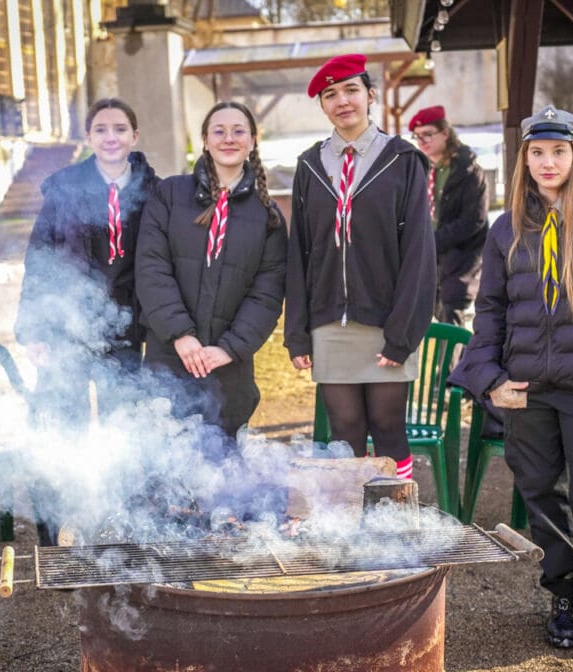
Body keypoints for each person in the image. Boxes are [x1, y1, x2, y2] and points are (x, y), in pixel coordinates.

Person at [449, 105, 573, 654]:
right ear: (523, 160)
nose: (547, 162)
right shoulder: (506, 228)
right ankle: (561, 595)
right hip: (526, 392)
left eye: (558, 151)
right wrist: (491, 379)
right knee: (541, 495)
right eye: (536, 152)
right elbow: (489, 312)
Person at [284, 54, 436, 481]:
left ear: (370, 95)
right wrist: (297, 333)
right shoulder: (310, 165)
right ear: (322, 105)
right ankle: (350, 517)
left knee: (388, 428)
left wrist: (401, 333)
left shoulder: (402, 159)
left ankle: (395, 513)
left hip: (388, 320)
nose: (342, 101)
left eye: (351, 90)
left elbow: (419, 253)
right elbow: (299, 252)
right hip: (329, 322)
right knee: (344, 431)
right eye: (330, 94)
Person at [135, 101, 287, 440]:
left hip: (228, 368)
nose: (228, 138)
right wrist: (180, 334)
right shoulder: (169, 194)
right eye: (219, 131)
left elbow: (267, 293)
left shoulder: (267, 215)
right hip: (169, 355)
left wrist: (229, 348)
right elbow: (151, 267)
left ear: (252, 140)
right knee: (164, 455)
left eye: (238, 131)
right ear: (204, 140)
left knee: (221, 462)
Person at [15, 97, 157, 434]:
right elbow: (39, 261)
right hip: (68, 326)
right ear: (89, 138)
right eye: (101, 130)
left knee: (123, 425)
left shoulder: (155, 192)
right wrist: (34, 329)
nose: (111, 137)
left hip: (126, 327)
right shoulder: (64, 189)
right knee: (66, 426)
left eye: (120, 129)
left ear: (134, 136)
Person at [408, 105, 489, 327]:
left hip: (461, 257)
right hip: (430, 257)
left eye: (428, 134)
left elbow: (474, 220)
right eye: (417, 136)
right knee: (429, 314)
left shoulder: (467, 170)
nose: (422, 141)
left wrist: (433, 240)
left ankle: (456, 352)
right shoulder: (423, 169)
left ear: (445, 133)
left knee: (451, 313)